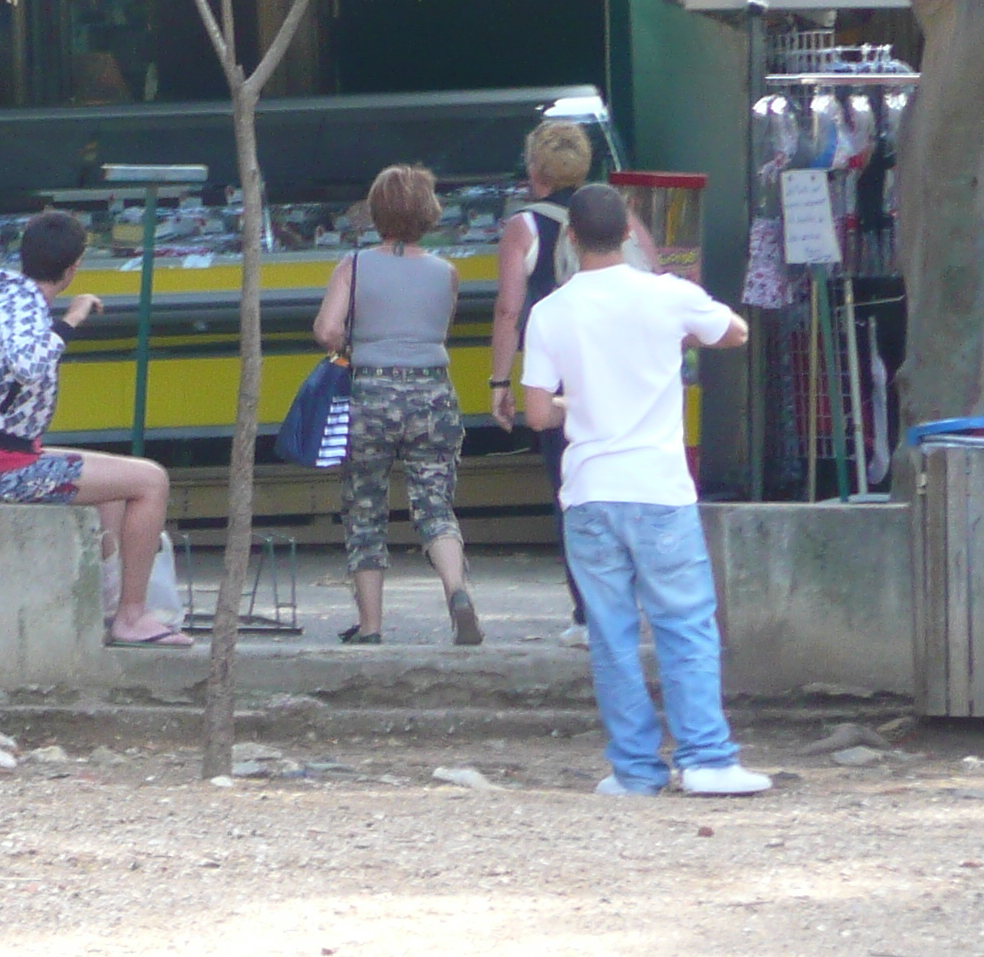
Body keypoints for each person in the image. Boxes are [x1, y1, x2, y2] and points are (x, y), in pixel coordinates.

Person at [522, 182, 772, 797]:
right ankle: (708, 760)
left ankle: (635, 771)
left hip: (589, 494)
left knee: (611, 634)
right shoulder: (668, 296)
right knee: (685, 624)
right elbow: (735, 331)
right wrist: (678, 337)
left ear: (571, 238)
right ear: (632, 233)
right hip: (660, 491)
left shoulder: (550, 312)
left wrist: (574, 401)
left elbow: (535, 414)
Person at [0, 209, 186, 646]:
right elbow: (28, 364)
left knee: (118, 486)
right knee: (152, 481)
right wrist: (72, 319)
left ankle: (105, 610)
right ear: (73, 268)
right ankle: (132, 616)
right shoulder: (24, 302)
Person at [312, 164, 481, 647]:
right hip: (433, 393)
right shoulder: (446, 273)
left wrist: (348, 336)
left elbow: (326, 329)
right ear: (429, 213)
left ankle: (371, 626)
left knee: (365, 508)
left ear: (375, 211)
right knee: (435, 505)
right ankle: (457, 592)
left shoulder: (355, 266)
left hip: (371, 394)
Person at [490, 119, 599, 645]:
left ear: (537, 172)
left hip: (556, 382)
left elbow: (510, 307)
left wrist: (499, 380)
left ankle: (588, 612)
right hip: (617, 374)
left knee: (569, 488)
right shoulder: (613, 216)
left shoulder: (525, 227)